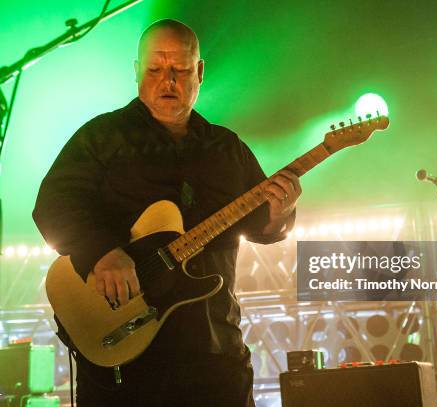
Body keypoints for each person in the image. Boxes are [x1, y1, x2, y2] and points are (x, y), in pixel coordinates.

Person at [33, 19, 301, 407]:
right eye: (155, 70)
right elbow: (54, 203)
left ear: (200, 72)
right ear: (136, 72)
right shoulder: (100, 138)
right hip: (127, 358)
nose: (168, 81)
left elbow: (264, 227)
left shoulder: (227, 149)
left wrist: (282, 212)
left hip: (213, 348)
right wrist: (102, 252)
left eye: (180, 69)